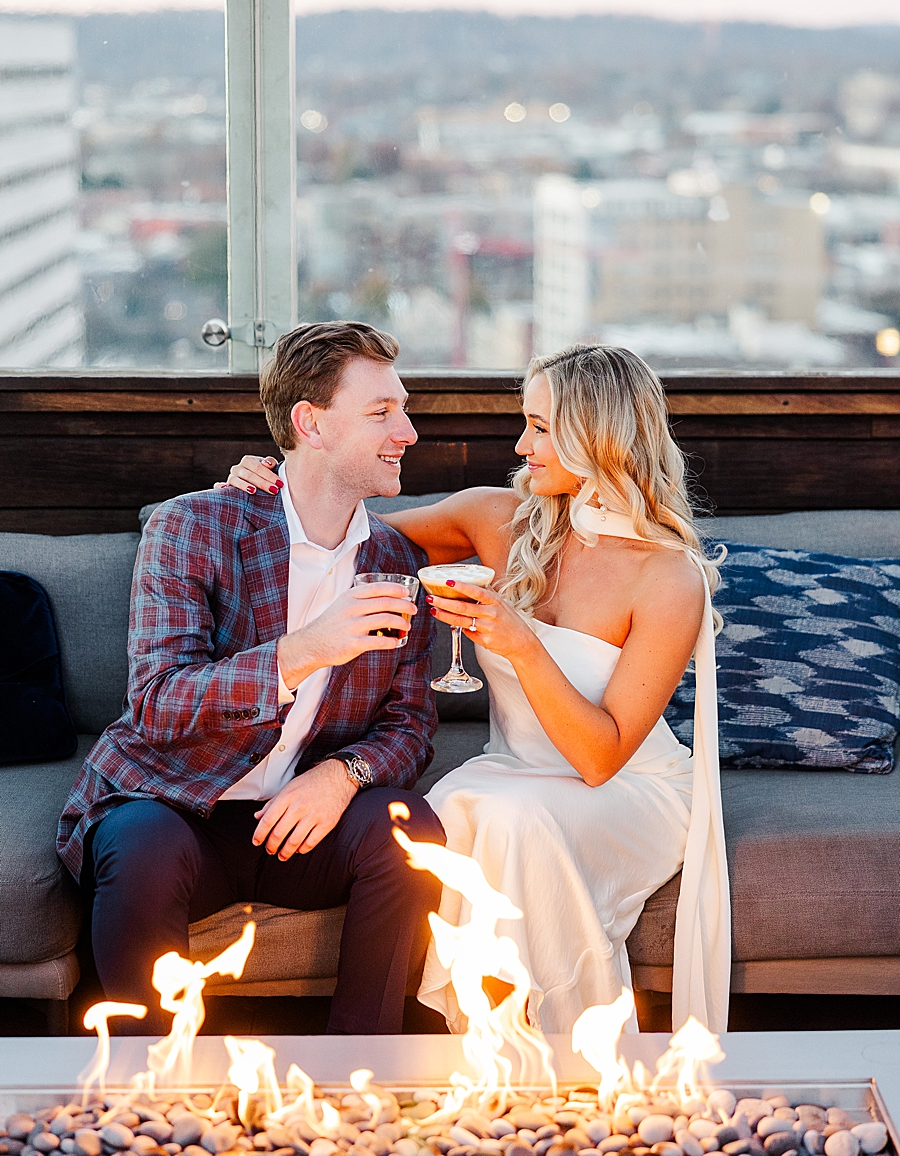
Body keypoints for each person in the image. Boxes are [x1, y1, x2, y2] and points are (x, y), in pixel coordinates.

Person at [223, 342, 731, 1035]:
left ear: (601, 435)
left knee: (507, 818)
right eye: (526, 422)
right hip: (514, 773)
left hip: (626, 787)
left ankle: (560, 1048)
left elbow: (600, 758)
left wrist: (520, 642)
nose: (522, 445)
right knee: (441, 811)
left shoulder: (669, 578)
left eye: (542, 428)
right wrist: (273, 482)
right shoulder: (497, 519)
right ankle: (484, 1055)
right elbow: (336, 540)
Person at [57, 321, 445, 1036]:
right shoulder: (191, 527)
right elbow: (158, 703)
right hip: (177, 808)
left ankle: (360, 1072)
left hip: (303, 824)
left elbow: (411, 722)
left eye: (404, 408)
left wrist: (344, 775)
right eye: (382, 412)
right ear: (310, 424)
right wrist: (304, 651)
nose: (409, 432)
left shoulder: (395, 559)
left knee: (409, 828)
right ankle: (150, 1087)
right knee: (138, 845)